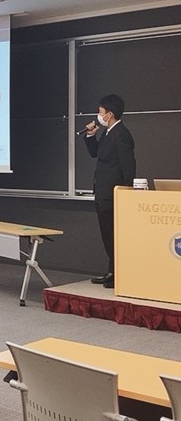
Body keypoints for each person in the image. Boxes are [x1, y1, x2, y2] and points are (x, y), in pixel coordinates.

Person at [84, 94, 136, 289]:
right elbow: (95, 153)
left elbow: (128, 166)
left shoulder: (121, 134)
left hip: (113, 194)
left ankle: (119, 273)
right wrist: (91, 135)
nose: (99, 115)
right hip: (103, 192)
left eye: (101, 112)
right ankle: (113, 271)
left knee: (114, 234)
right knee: (107, 234)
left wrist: (126, 192)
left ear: (110, 114)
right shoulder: (108, 132)